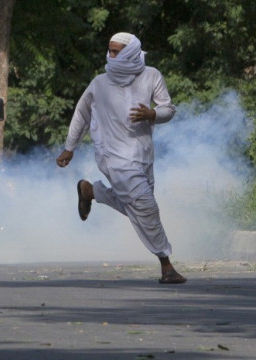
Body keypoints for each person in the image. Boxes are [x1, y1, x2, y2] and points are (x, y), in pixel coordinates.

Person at [56, 32, 187, 284]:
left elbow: (168, 108)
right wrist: (69, 147)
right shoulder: (99, 83)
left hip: (143, 155)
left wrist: (152, 114)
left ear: (130, 52)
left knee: (135, 204)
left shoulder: (152, 75)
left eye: (116, 51)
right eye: (110, 51)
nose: (111, 56)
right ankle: (166, 266)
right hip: (112, 156)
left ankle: (90, 191)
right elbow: (81, 114)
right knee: (146, 207)